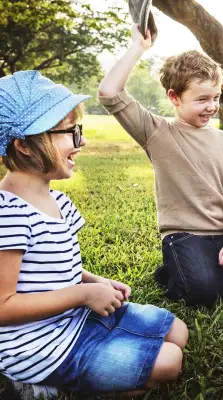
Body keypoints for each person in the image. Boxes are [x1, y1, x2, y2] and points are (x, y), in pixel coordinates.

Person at [0, 70, 188, 397]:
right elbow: (4, 306)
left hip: (78, 318)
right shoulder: (9, 215)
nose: (82, 141)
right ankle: (35, 382)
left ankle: (85, 378)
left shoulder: (58, 201)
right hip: (41, 346)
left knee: (178, 333)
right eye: (70, 132)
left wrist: (93, 282)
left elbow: (53, 269)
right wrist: (83, 295)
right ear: (24, 146)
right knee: (169, 362)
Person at [98, 26, 223, 307]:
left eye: (216, 97)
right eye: (202, 99)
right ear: (174, 97)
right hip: (183, 235)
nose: (212, 106)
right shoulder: (156, 131)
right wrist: (139, 47)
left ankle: (203, 266)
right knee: (206, 294)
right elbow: (109, 92)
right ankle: (173, 270)